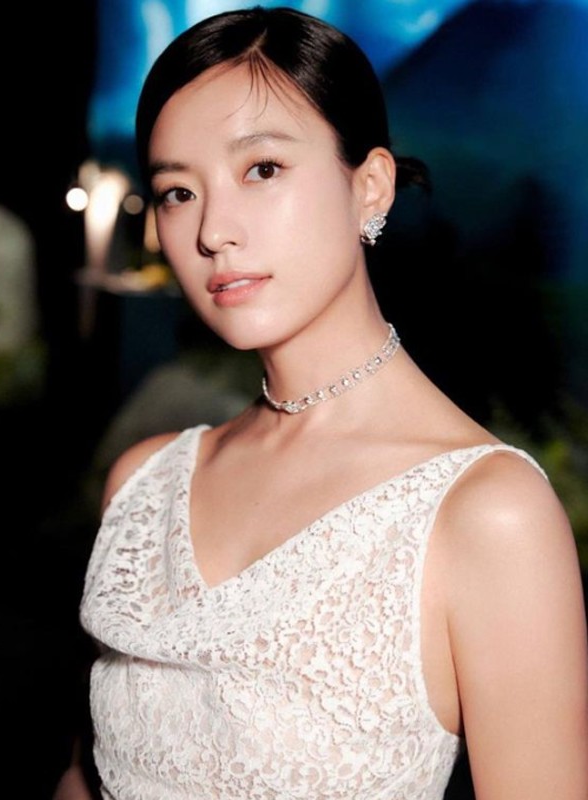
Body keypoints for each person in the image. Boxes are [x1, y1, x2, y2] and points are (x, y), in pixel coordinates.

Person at [61, 6, 588, 799]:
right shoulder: (142, 482)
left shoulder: (486, 513)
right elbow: (88, 774)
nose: (213, 231)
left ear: (369, 186)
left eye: (262, 169)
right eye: (178, 191)